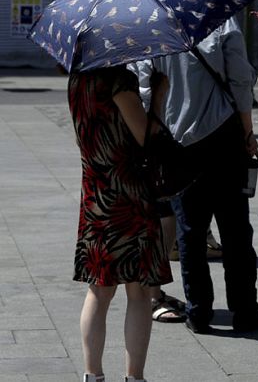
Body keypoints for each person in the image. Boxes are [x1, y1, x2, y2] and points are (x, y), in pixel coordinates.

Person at [132, 17, 258, 335]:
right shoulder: (223, 22)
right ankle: (244, 311)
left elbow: (144, 86)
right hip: (224, 137)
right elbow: (240, 80)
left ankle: (199, 312)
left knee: (190, 232)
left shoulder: (154, 27)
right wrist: (248, 131)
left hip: (177, 140)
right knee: (236, 231)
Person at [68, 65, 172, 382]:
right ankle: (134, 377)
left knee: (98, 292)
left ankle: (92, 375)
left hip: (95, 194)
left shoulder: (77, 79)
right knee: (138, 294)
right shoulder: (119, 80)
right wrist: (159, 97)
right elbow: (145, 136)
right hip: (129, 197)